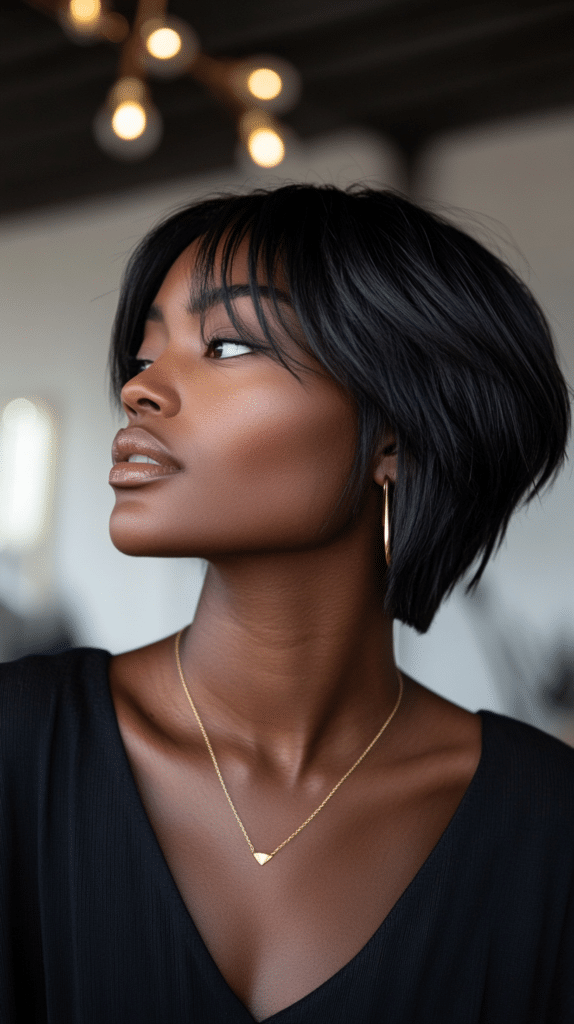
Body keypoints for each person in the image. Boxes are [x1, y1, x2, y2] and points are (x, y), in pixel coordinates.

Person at [1, 183, 573, 1024]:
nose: (140, 389)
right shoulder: (19, 750)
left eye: (227, 346)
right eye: (144, 351)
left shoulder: (548, 826)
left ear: (394, 435)